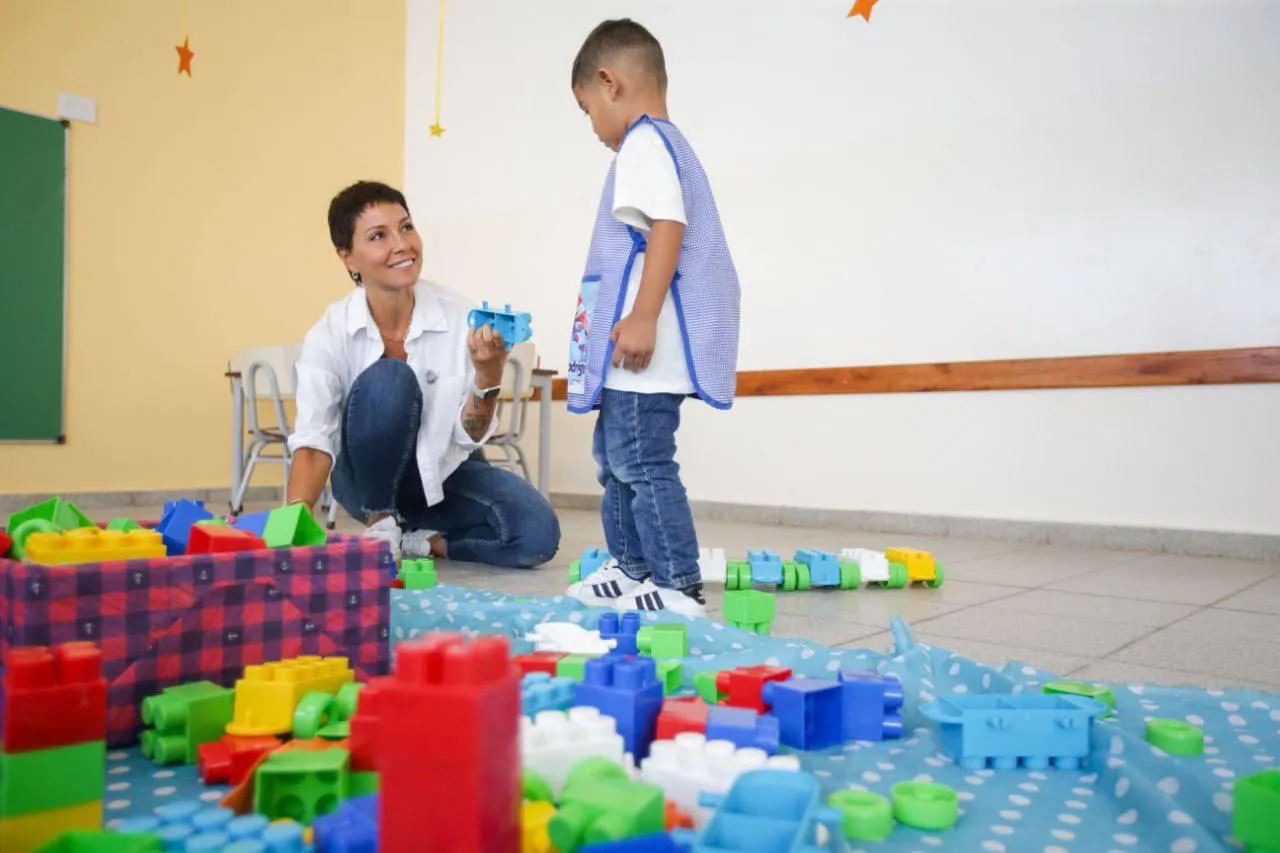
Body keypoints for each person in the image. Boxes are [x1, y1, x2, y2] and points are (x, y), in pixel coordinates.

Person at [285, 180, 561, 568]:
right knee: (389, 378)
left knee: (536, 534)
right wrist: (293, 520)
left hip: (442, 473)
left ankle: (420, 543)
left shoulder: (457, 315)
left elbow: (472, 436)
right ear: (348, 258)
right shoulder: (329, 333)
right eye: (379, 236)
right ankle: (382, 523)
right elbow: (314, 440)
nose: (401, 244)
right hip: (365, 482)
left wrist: (489, 375)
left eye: (406, 227)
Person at [564, 20, 741, 616]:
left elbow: (668, 226)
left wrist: (641, 317)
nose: (592, 130)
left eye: (587, 110)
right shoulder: (658, 143)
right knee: (614, 461)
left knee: (640, 462)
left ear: (609, 83)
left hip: (648, 348)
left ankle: (676, 582)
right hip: (632, 356)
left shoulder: (644, 143)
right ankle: (632, 566)